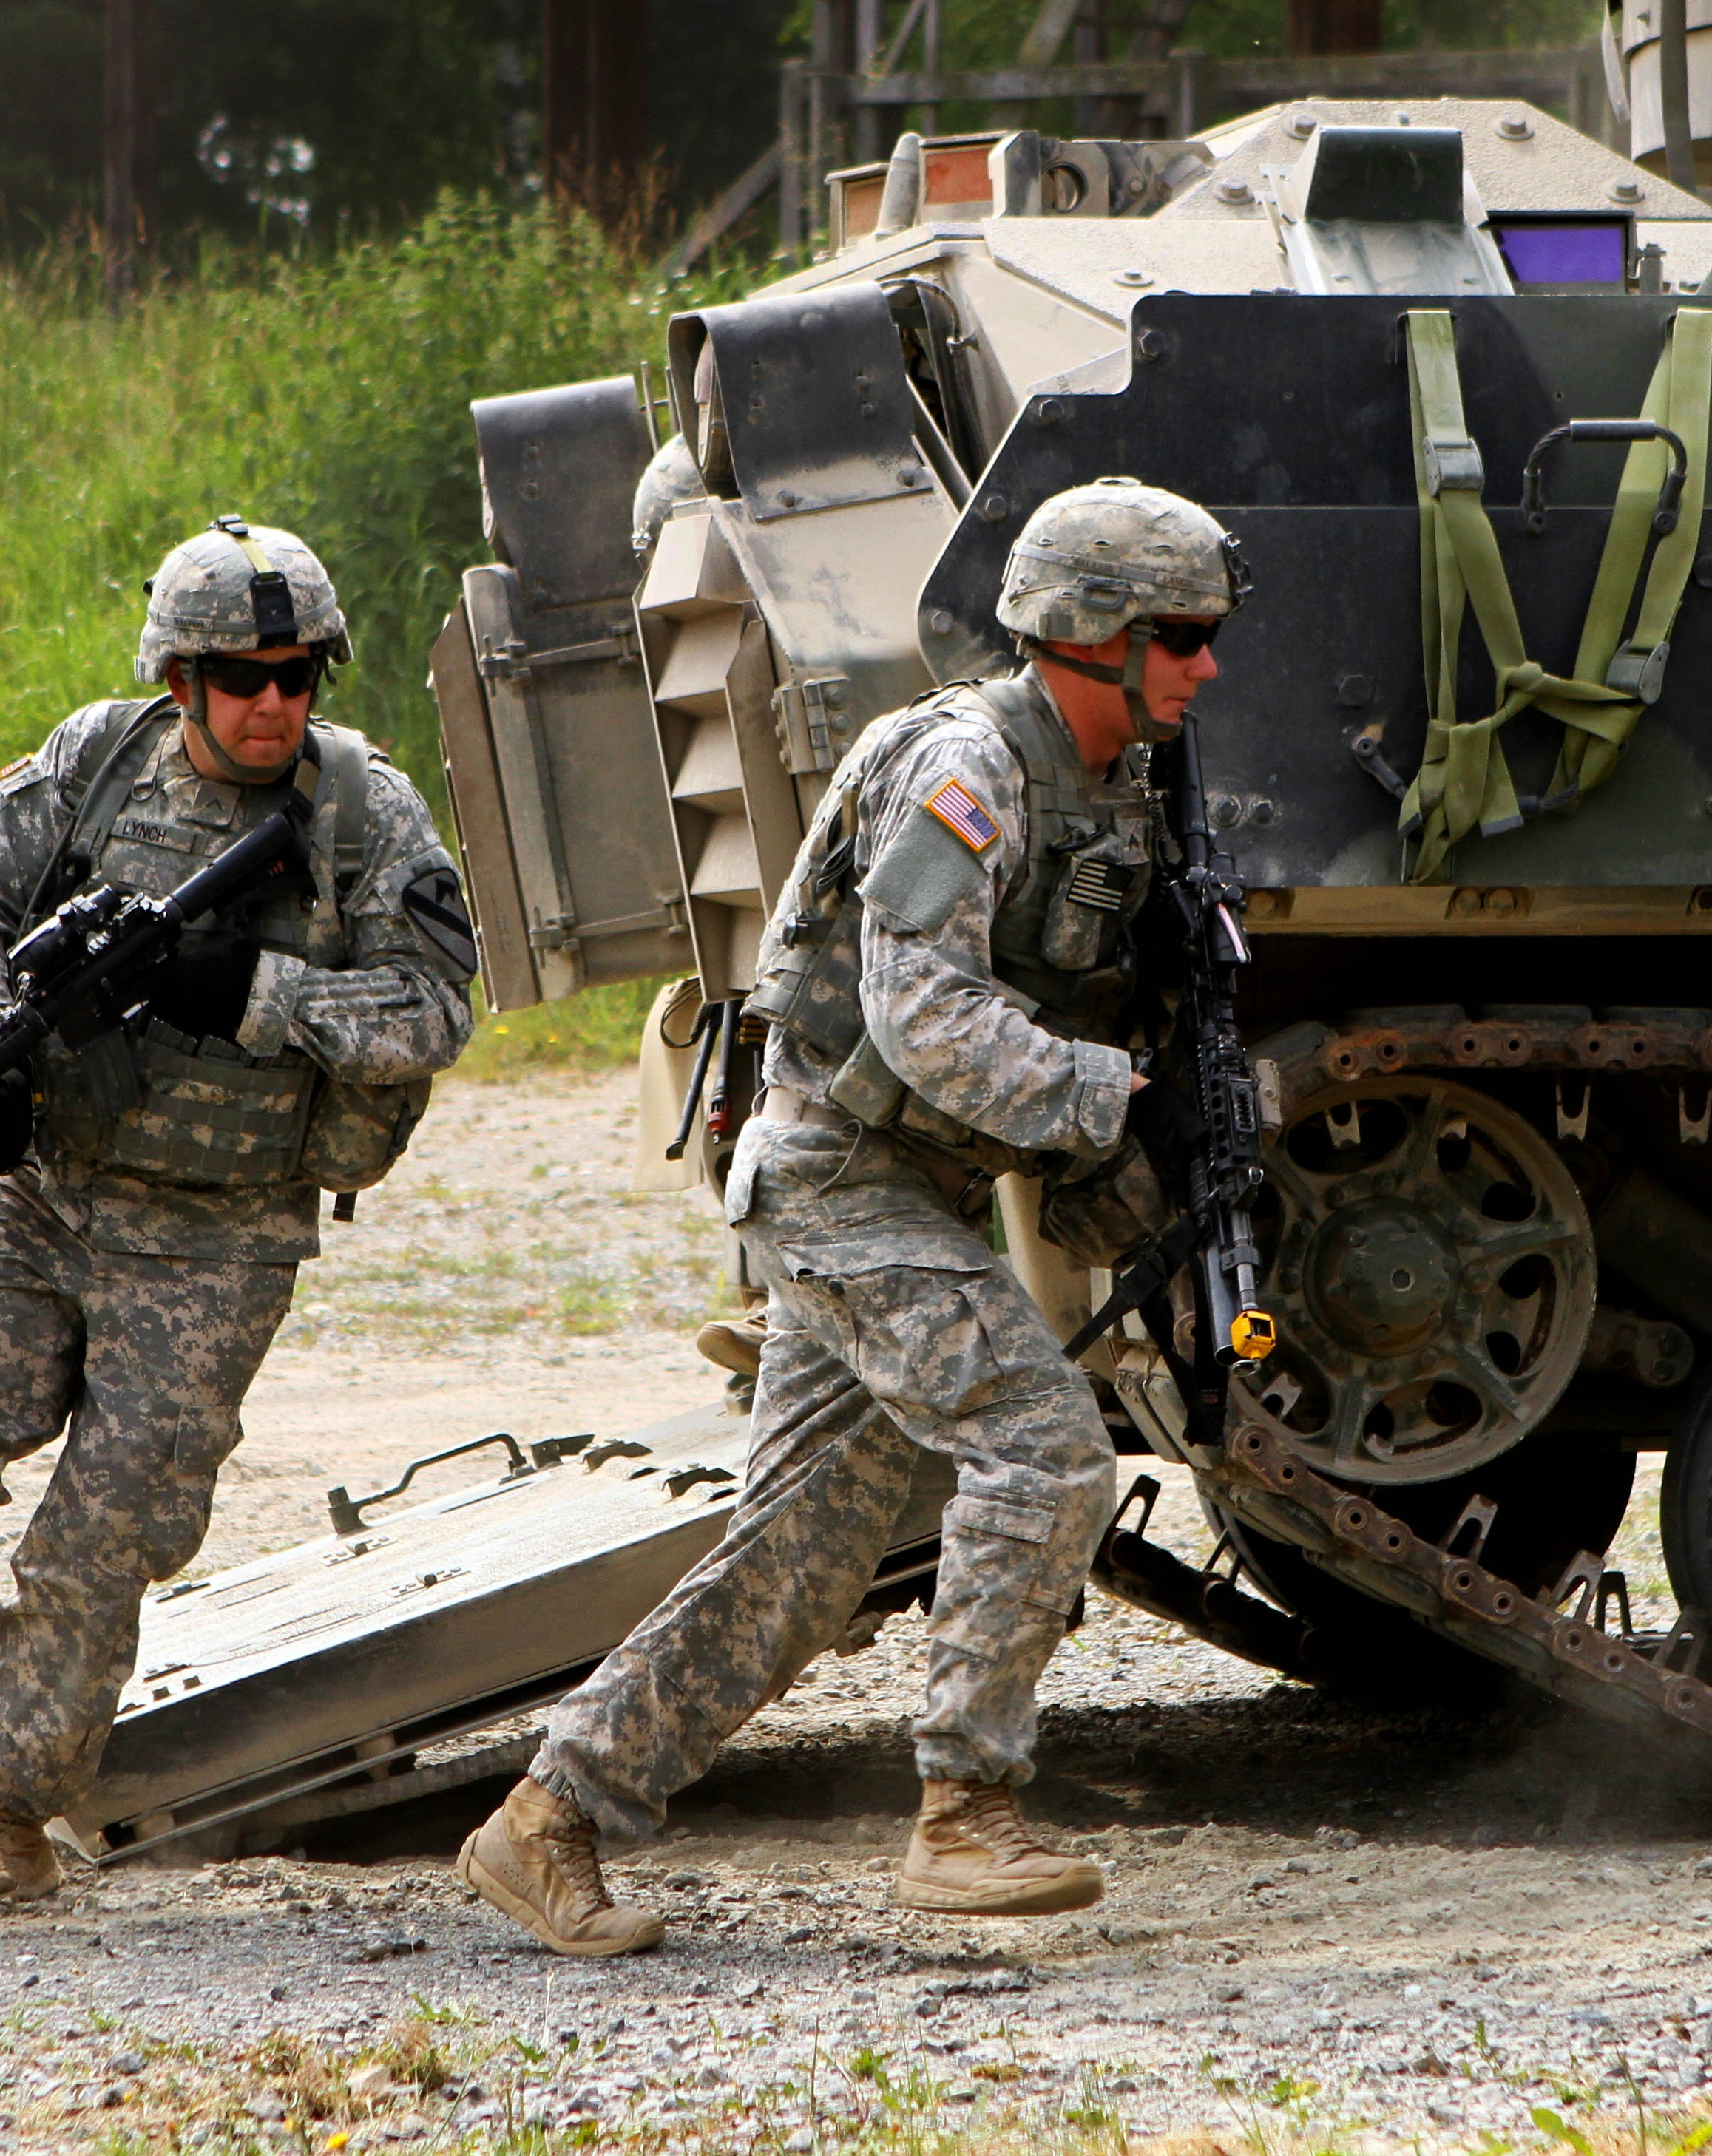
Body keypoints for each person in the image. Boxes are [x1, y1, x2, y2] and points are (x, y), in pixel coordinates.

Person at [457, 477, 1243, 1956]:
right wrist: (1108, 1092)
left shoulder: (1123, 785)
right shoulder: (962, 773)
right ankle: (966, 1816)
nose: (1211, 665)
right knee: (1043, 1448)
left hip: (912, 1190)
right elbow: (928, 1018)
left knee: (803, 1560)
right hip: (837, 1181)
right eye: (1184, 634)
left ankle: (546, 1819)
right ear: (1092, 639)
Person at [0, 518, 478, 1909]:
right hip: (47, 1200)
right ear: (179, 680)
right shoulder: (88, 764)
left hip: (221, 1240)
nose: (273, 707)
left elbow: (435, 1009)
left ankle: (6, 1814)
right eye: (242, 678)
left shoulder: (366, 815)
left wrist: (251, 997)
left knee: (103, 1538)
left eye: (298, 677)